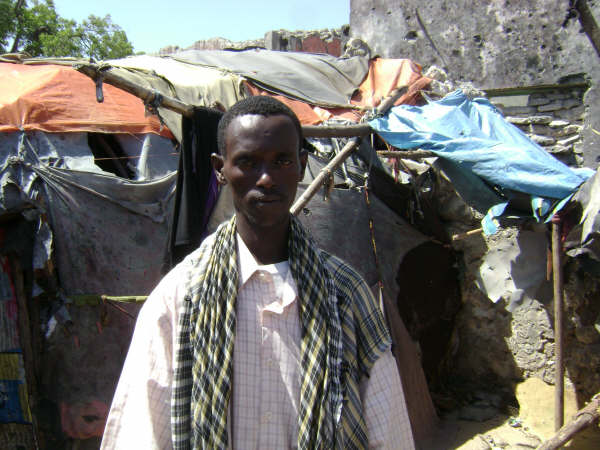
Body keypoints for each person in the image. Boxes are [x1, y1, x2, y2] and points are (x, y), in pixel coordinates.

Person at [100, 96, 415, 449]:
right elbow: (142, 434)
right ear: (220, 168)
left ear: (302, 164)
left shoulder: (344, 294)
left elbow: (388, 432)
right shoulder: (179, 297)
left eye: (281, 161)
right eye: (248, 162)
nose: (266, 179)